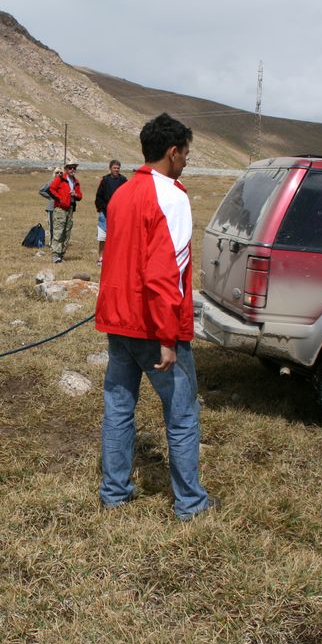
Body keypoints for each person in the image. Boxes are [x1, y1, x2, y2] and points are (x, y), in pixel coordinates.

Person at [94, 113, 211, 521]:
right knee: (182, 415)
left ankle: (114, 493)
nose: (187, 161)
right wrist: (167, 336)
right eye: (186, 154)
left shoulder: (122, 193)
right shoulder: (172, 197)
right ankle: (190, 504)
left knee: (119, 407)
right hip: (154, 326)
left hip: (118, 320)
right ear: (172, 152)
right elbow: (166, 273)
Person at [48, 162, 82, 263]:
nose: (72, 170)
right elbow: (51, 189)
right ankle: (55, 254)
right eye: (70, 168)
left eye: (74, 168)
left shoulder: (75, 181)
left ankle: (61, 254)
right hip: (60, 209)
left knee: (67, 231)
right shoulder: (60, 179)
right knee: (59, 231)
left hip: (70, 209)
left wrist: (75, 194)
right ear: (66, 169)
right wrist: (60, 199)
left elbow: (80, 196)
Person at [94, 159, 127, 264]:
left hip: (119, 214)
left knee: (117, 237)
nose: (116, 170)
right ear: (110, 168)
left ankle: (115, 258)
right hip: (105, 213)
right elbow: (99, 197)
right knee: (103, 237)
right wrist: (101, 209)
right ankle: (101, 258)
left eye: (118, 168)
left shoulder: (123, 180)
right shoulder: (105, 180)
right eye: (114, 168)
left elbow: (127, 197)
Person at [40, 168, 62, 245]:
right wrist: (50, 197)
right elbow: (41, 190)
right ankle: (51, 242)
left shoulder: (64, 183)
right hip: (52, 207)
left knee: (60, 225)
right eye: (57, 172)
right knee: (52, 225)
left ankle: (58, 241)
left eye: (61, 172)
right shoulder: (51, 182)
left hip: (61, 207)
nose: (59, 174)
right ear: (54, 174)